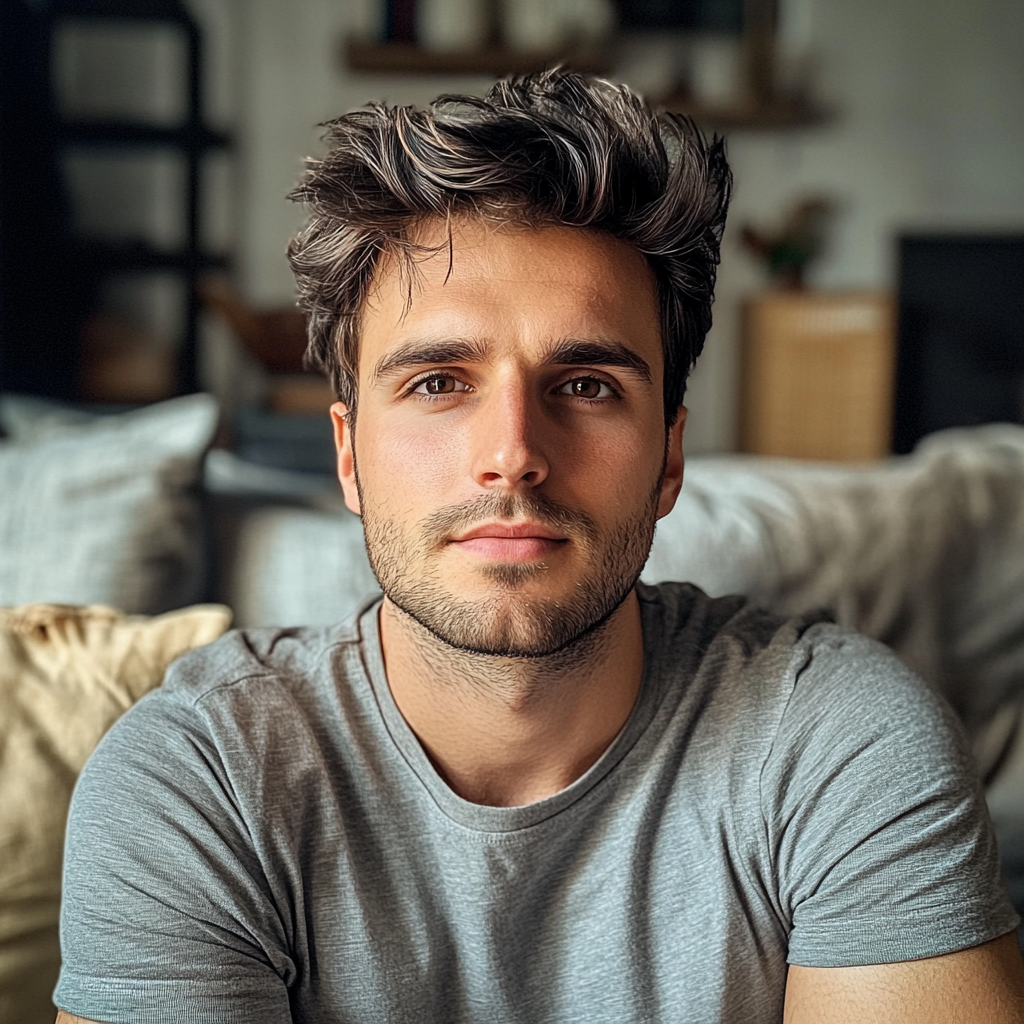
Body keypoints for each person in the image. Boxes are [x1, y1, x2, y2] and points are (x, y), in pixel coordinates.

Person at [55, 70, 1024, 1024]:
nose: (513, 454)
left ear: (668, 456)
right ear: (348, 456)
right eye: (438, 382)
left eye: (588, 384)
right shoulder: (198, 779)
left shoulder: (842, 744)